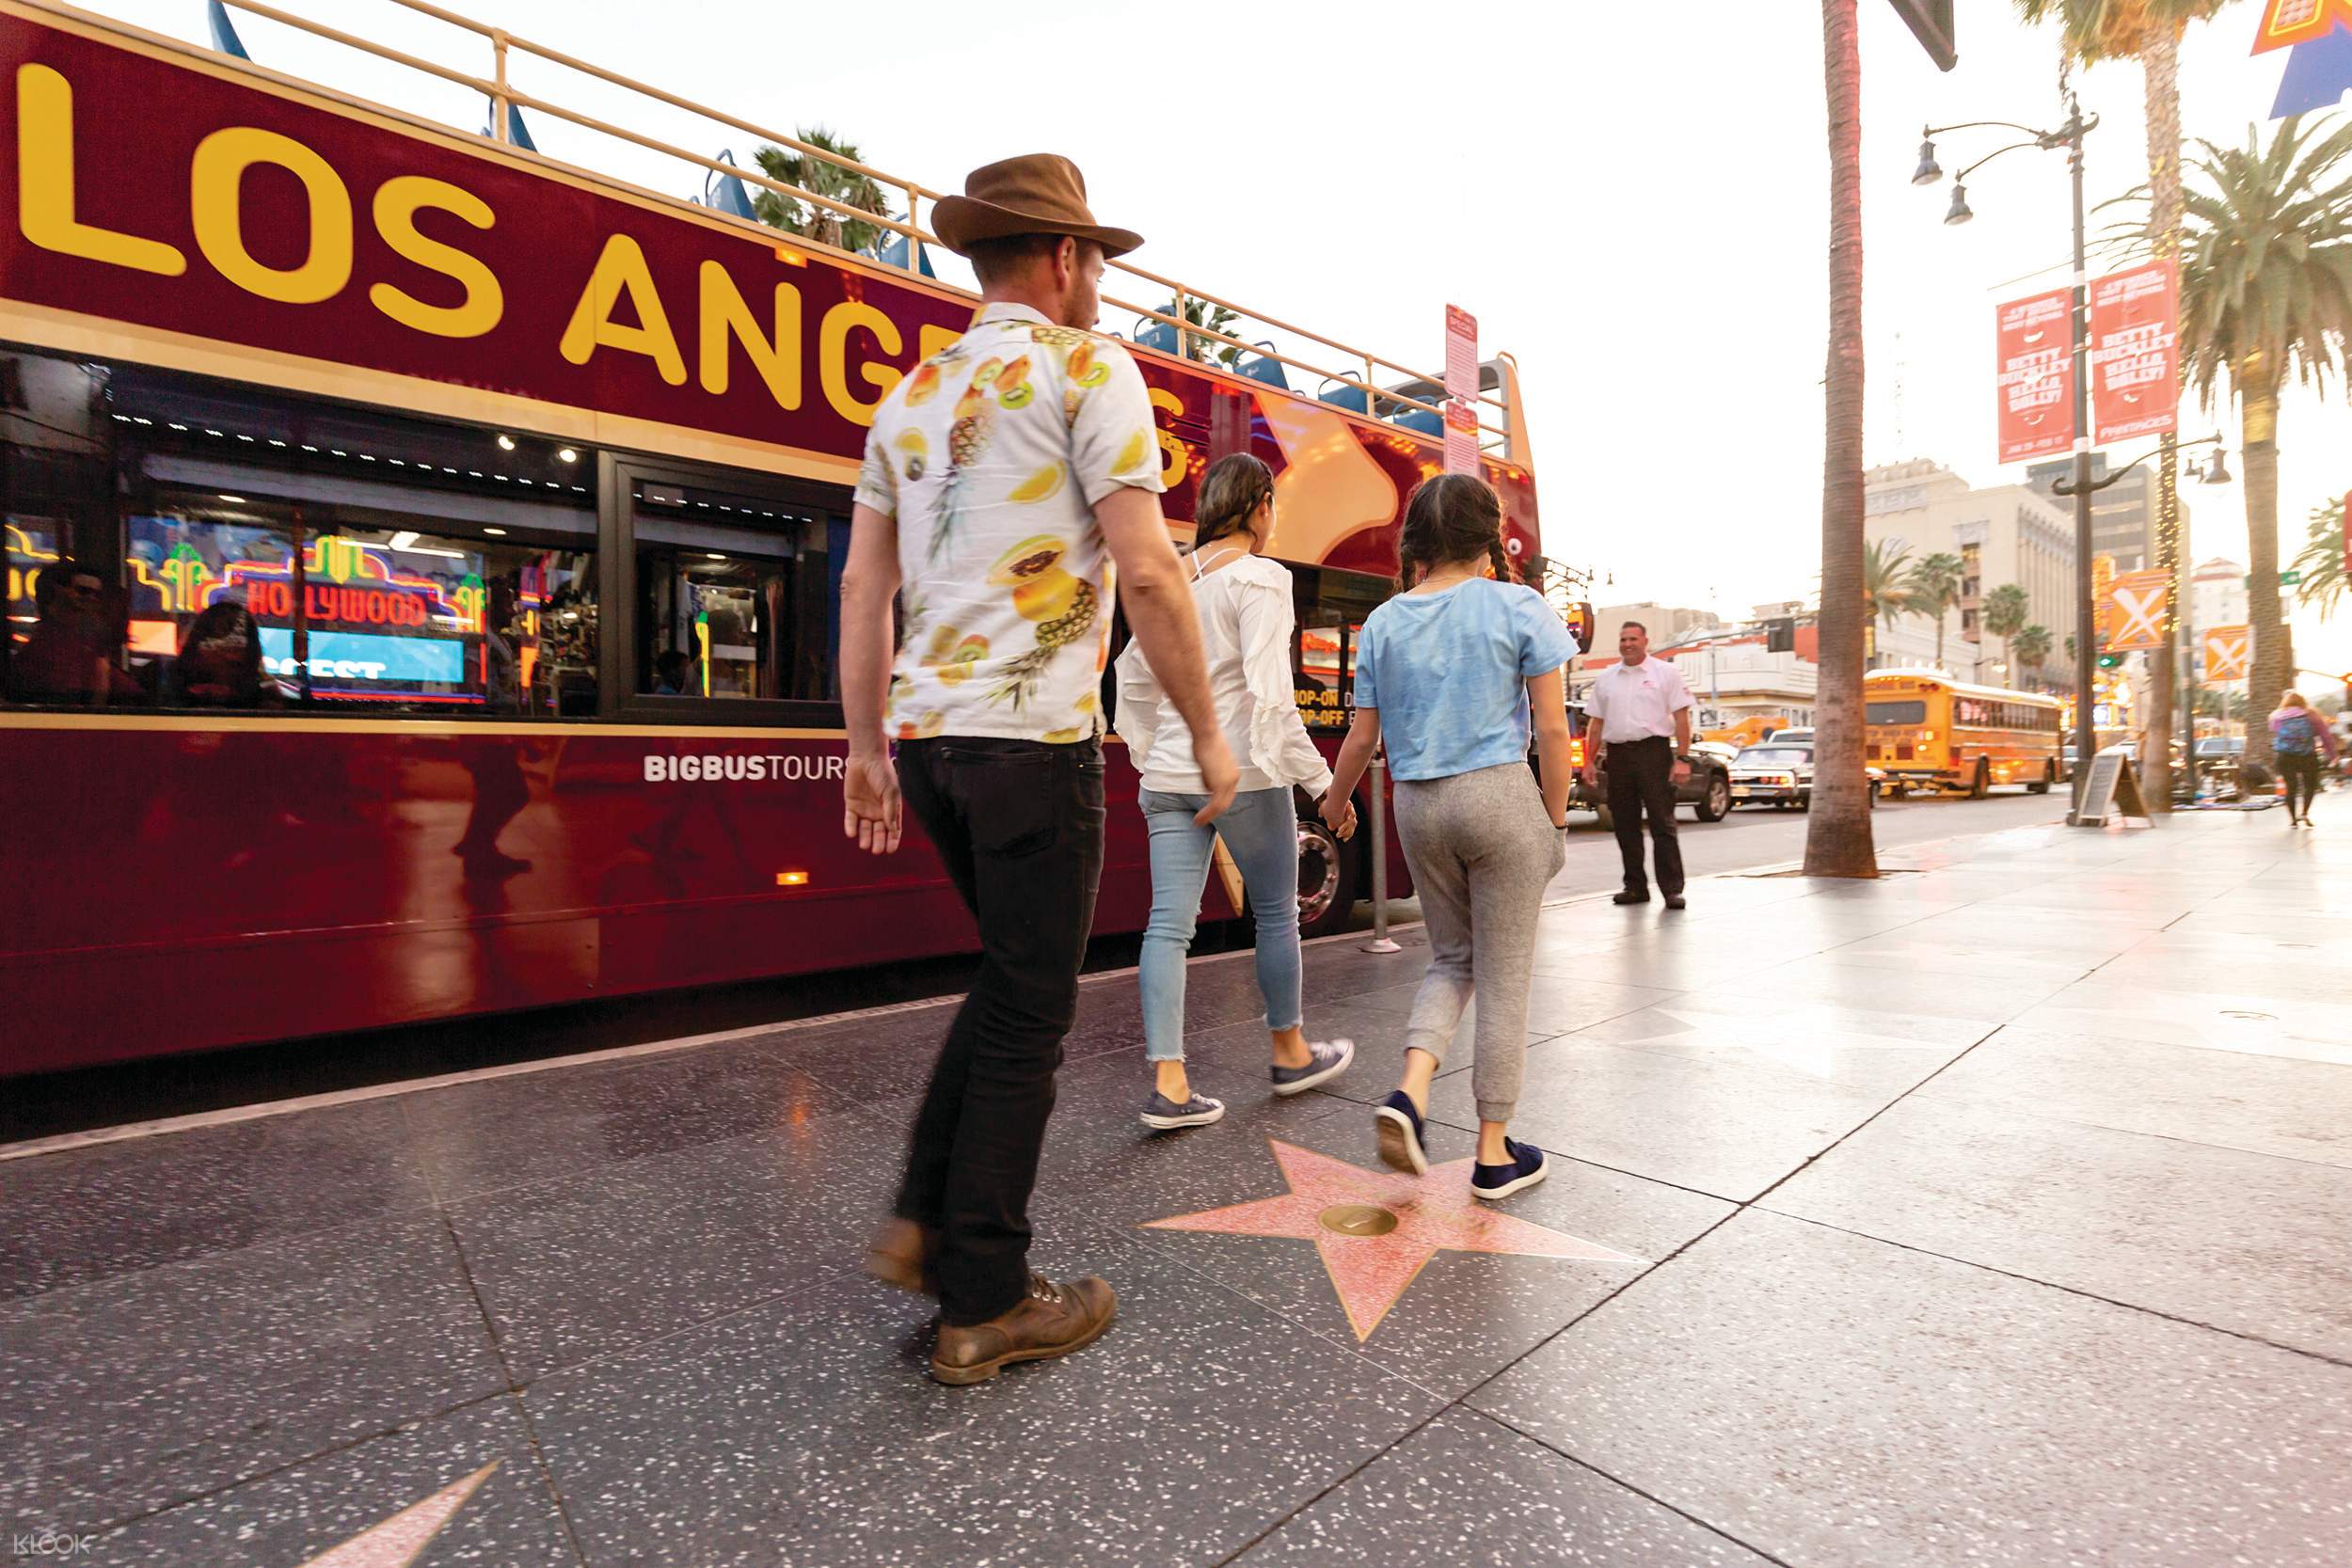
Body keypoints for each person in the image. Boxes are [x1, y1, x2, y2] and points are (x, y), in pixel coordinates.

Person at [838, 153, 1237, 1385]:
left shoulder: (905, 403)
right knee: (1031, 1010)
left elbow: (866, 587)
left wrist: (862, 747)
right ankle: (990, 1295)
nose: (1102, 284)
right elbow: (1154, 567)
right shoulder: (1085, 369)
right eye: (1099, 262)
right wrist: (1208, 735)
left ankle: (924, 1220)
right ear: (1065, 261)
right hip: (1033, 744)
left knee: (1008, 984)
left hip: (932, 742)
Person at [1321, 473, 1575, 1202]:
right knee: (1504, 976)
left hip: (1418, 807)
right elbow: (1553, 731)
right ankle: (1494, 1152)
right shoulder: (1517, 604)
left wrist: (1338, 804)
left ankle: (1408, 1092)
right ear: (1486, 533)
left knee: (1451, 959)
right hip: (1497, 796)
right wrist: (1554, 823)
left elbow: (1361, 738)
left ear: (1421, 540)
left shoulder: (1384, 622)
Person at [1115, 453, 1356, 1130]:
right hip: (1245, 772)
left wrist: (1150, 752)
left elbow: (1130, 677)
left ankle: (1169, 1084)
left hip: (1168, 774)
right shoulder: (1261, 578)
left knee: (1168, 925)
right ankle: (1289, 1052)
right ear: (1259, 507)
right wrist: (1322, 784)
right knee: (1277, 912)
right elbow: (1272, 697)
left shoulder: (1172, 577)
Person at [1581, 620, 1693, 909]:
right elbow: (1596, 723)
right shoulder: (1607, 678)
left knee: (1662, 823)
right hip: (1618, 756)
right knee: (1624, 824)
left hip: (1653, 753)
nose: (1627, 644)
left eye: (1632, 639)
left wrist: (1682, 759)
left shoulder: (1665, 673)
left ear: (1646, 641)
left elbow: (1682, 718)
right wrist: (1589, 762)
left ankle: (1672, 889)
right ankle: (1635, 887)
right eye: (1623, 639)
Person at [2268, 690, 2340, 826]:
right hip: (2307, 756)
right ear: (2303, 702)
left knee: (2291, 788)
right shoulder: (2311, 714)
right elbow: (2326, 737)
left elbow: (2274, 730)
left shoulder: (2277, 716)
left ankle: (2293, 820)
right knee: (2310, 786)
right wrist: (2333, 756)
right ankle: (2304, 813)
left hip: (2285, 756)